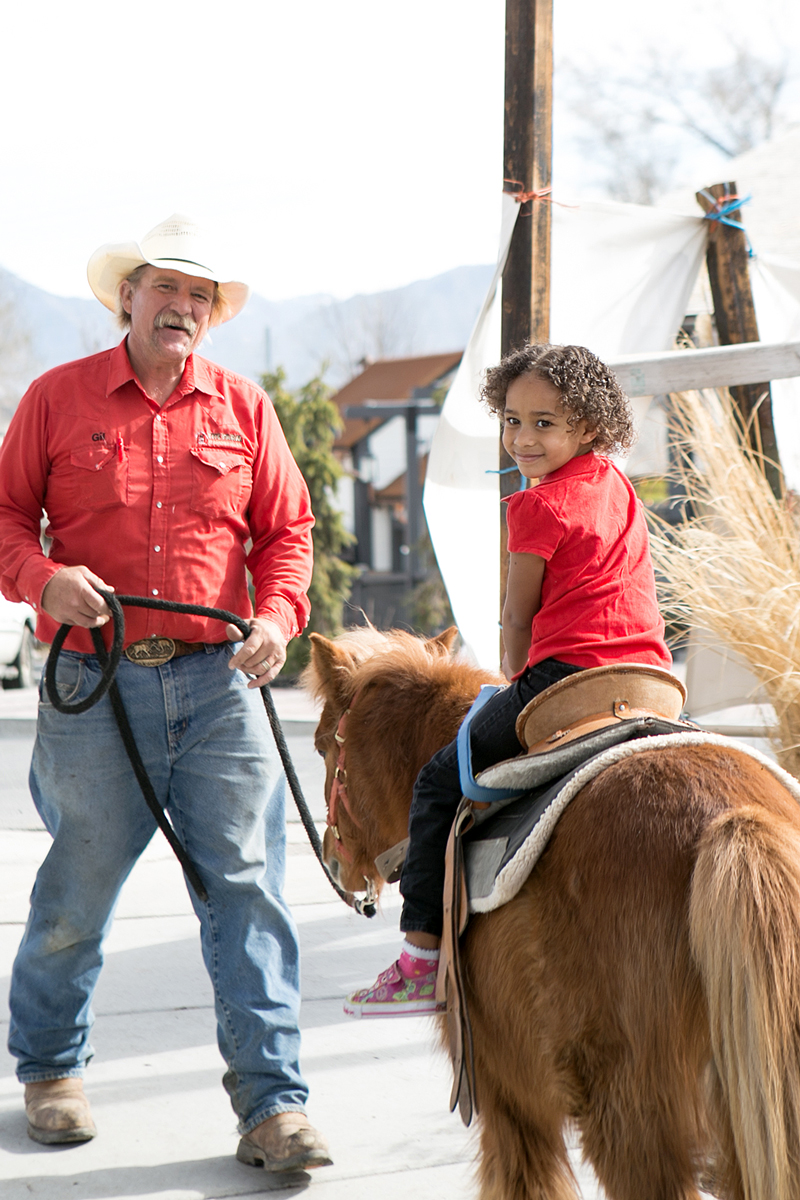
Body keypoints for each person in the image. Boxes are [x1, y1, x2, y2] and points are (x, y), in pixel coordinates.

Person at [0, 214, 332, 1172]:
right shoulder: (55, 398)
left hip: (221, 681)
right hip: (90, 684)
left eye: (201, 296)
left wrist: (276, 620)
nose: (183, 308)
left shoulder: (244, 408)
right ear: (127, 299)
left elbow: (288, 531)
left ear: (211, 316)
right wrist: (41, 578)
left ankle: (274, 1107)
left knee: (248, 891)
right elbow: (8, 517)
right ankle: (52, 1069)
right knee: (78, 888)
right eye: (167, 289)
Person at [345, 342, 673, 1017]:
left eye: (544, 423)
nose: (523, 438)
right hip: (647, 677)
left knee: (438, 781)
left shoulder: (536, 505)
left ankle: (419, 957)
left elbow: (516, 615)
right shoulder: (616, 483)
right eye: (512, 420)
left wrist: (514, 680)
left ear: (588, 426)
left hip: (568, 677)